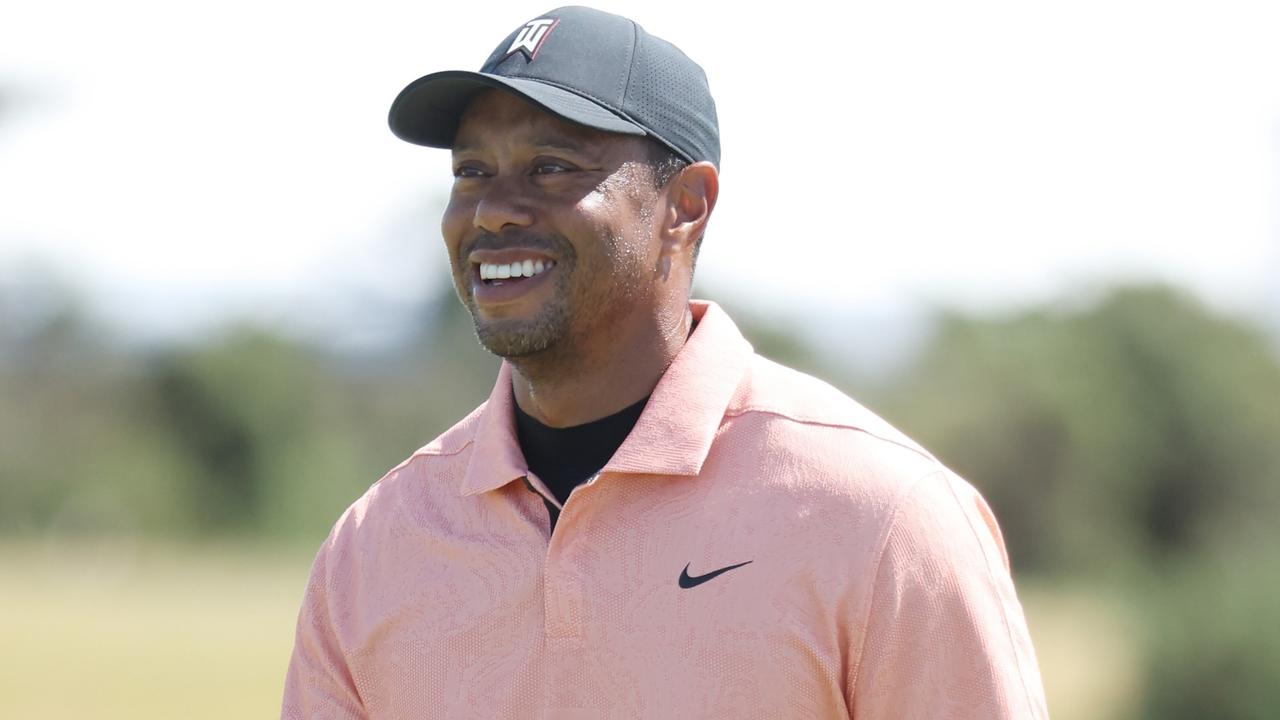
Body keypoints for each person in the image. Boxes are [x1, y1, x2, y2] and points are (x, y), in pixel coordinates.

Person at [282, 6, 1049, 719]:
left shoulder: (885, 518)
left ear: (686, 205)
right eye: (471, 172)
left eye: (551, 167)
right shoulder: (373, 547)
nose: (494, 209)